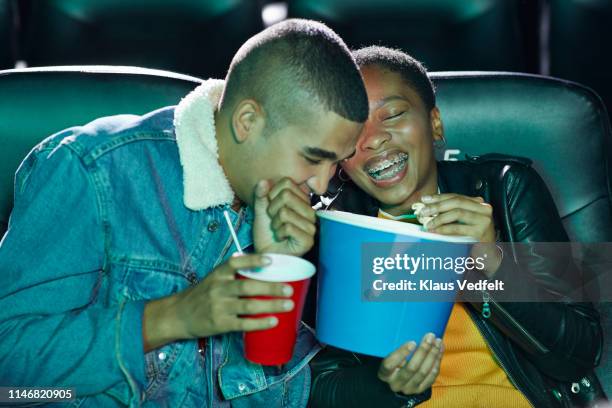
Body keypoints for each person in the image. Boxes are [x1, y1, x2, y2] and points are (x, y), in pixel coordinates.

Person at [0, 20, 369, 406]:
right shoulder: (92, 170)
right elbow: (9, 369)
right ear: (247, 122)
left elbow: (268, 390)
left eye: (337, 164)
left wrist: (274, 265)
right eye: (314, 158)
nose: (323, 186)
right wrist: (172, 317)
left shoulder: (283, 212)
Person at [308, 46, 606, 407]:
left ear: (434, 123)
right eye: (353, 128)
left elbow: (578, 354)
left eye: (392, 115)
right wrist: (386, 386)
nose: (372, 139)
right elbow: (317, 386)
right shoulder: (333, 229)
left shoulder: (505, 189)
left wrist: (490, 266)